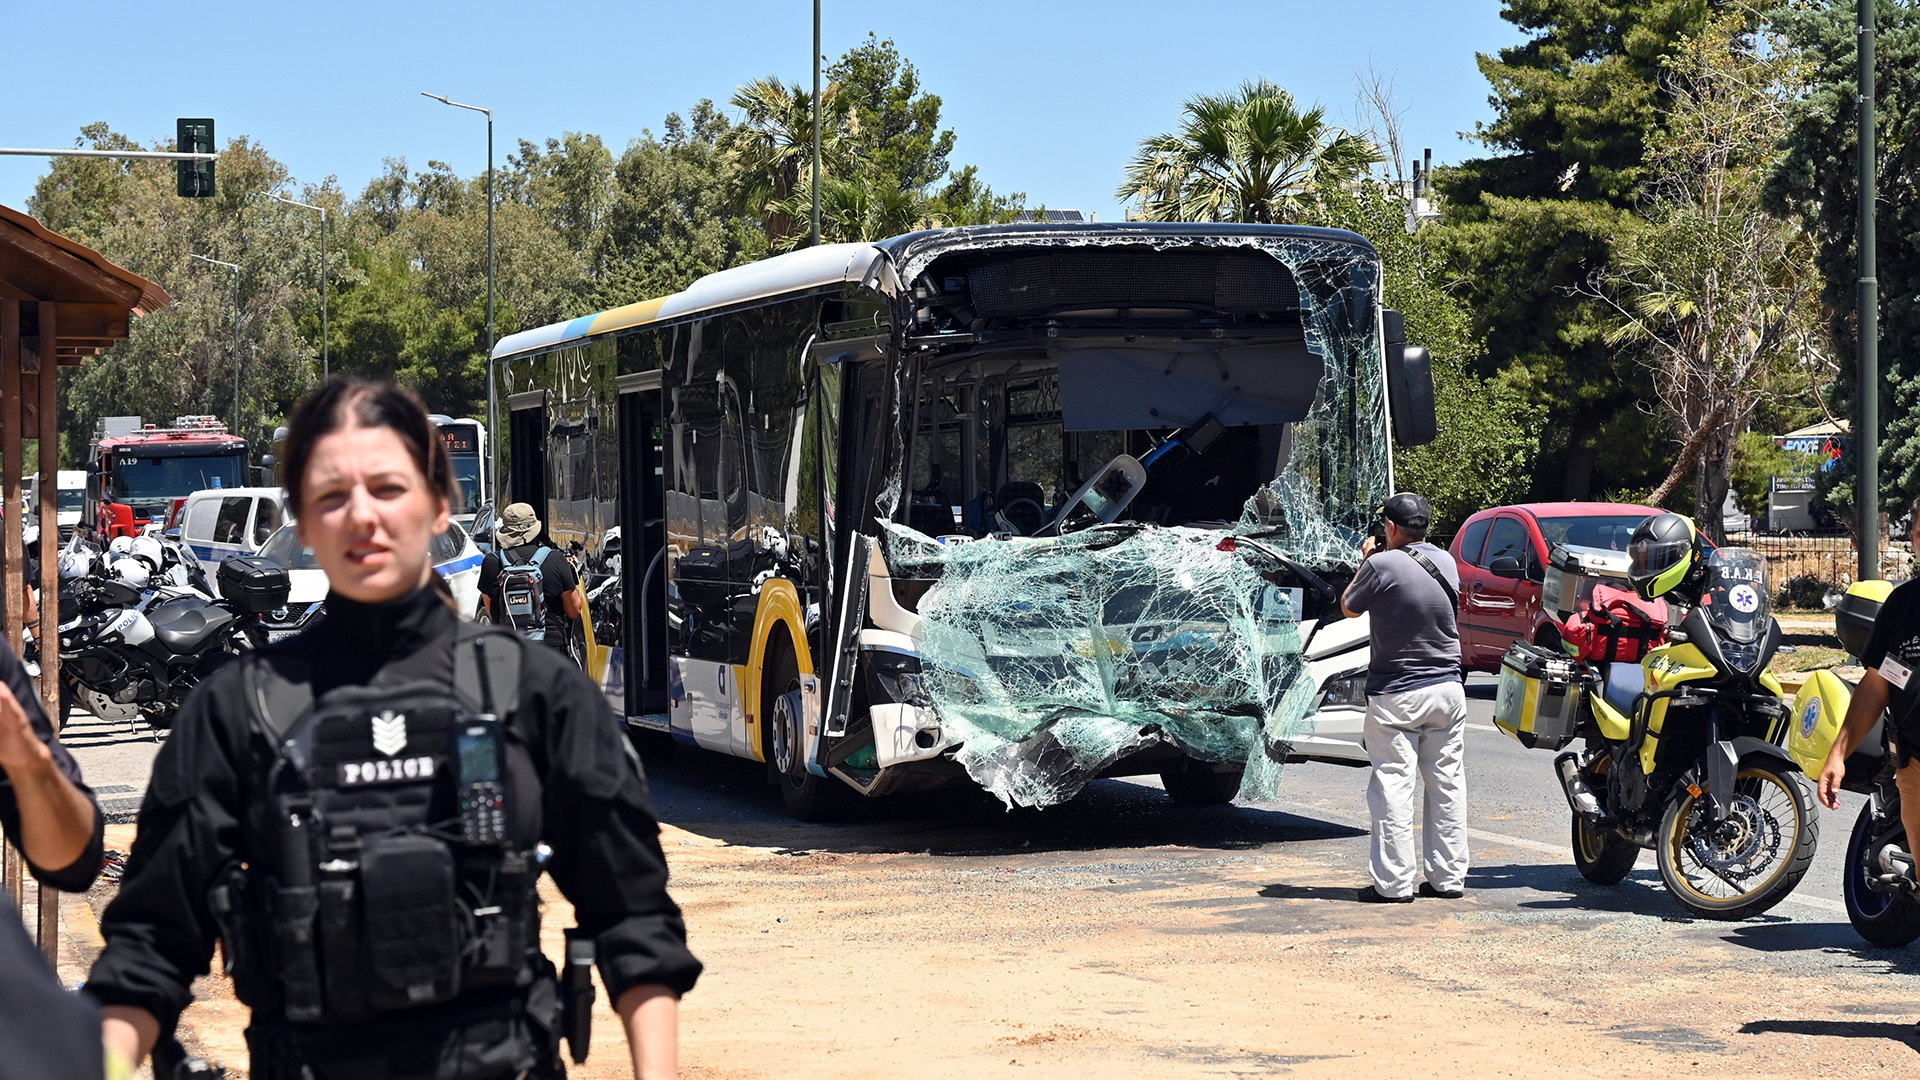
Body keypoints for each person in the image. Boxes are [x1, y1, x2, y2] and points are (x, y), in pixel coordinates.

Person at [86, 377, 701, 1080]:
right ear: (305, 522)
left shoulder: (531, 692)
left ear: (440, 506)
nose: (362, 517)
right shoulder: (237, 713)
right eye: (331, 496)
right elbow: (148, 950)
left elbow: (633, 918)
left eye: (387, 488)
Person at [1339, 492, 1469, 903]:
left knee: (1394, 783)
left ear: (1390, 528)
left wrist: (1366, 558)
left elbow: (1348, 608)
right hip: (1448, 689)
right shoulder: (1446, 562)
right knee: (1447, 784)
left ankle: (1394, 885)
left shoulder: (1380, 563)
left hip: (1398, 693)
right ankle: (1448, 880)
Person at [1819, 503, 1920, 865]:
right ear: (1913, 540)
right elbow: (1877, 685)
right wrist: (1838, 754)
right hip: (1914, 766)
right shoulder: (1903, 605)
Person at [478, 503, 580, 653]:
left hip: (508, 650)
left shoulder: (491, 562)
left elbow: (490, 608)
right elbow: (574, 610)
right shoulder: (555, 559)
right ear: (535, 530)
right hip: (550, 649)